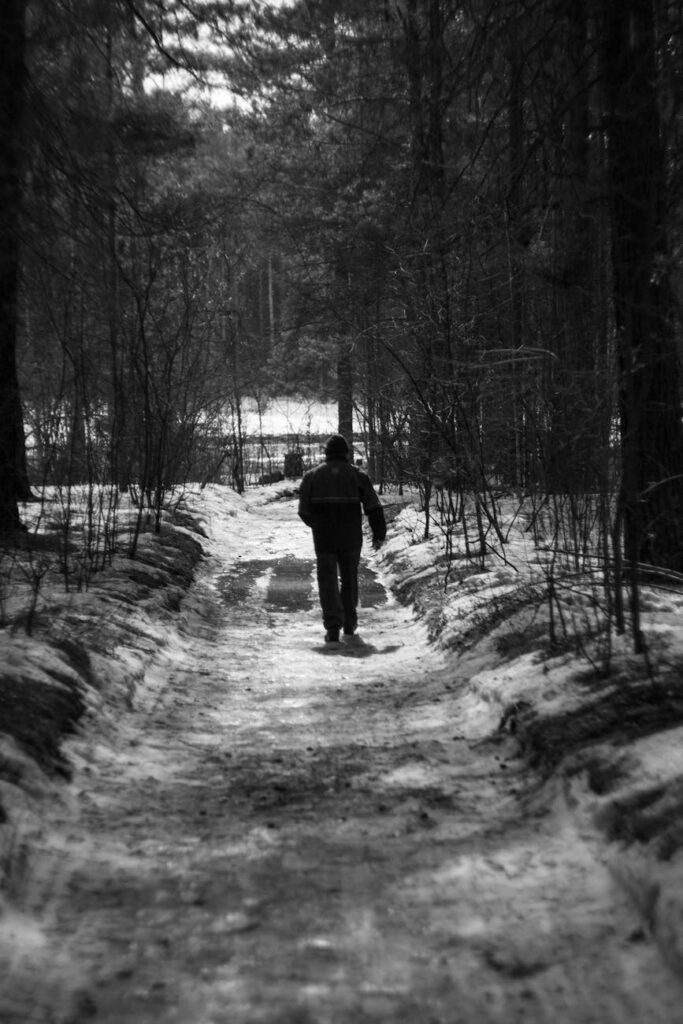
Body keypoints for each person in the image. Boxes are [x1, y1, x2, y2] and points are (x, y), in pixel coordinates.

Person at [298, 434, 386, 644]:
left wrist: (318, 525)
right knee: (349, 579)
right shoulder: (357, 475)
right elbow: (373, 507)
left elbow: (304, 511)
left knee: (327, 581)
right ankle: (349, 622)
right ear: (346, 452)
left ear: (326, 453)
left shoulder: (312, 477)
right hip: (351, 537)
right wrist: (379, 534)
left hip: (324, 539)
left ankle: (332, 627)